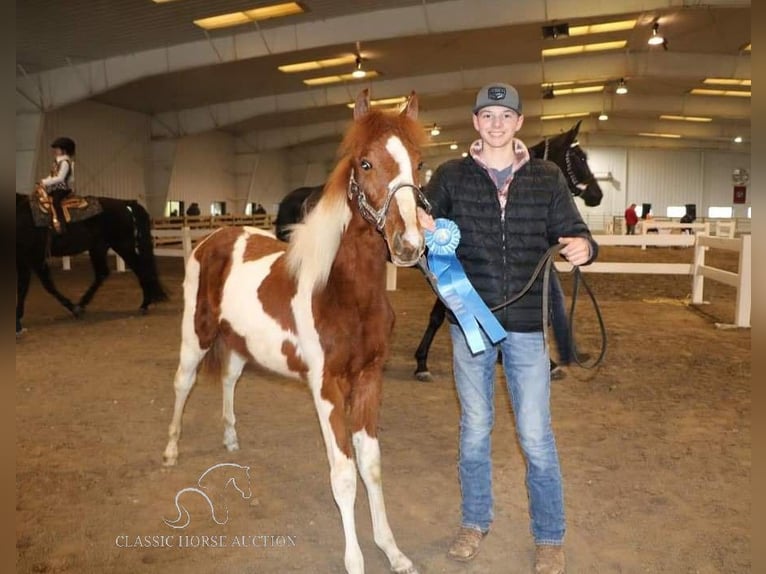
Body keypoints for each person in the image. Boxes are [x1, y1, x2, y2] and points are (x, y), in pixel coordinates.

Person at [417, 82, 598, 574]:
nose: (496, 123)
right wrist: (418, 228)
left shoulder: (546, 178)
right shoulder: (449, 177)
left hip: (525, 326)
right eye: (487, 115)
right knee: (474, 430)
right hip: (469, 323)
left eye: (506, 115)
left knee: (536, 435)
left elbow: (575, 230)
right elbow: (419, 239)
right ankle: (474, 522)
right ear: (475, 123)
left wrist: (584, 247)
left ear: (519, 123)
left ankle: (549, 536)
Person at [39, 137, 76, 234]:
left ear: (64, 150)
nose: (55, 151)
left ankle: (62, 225)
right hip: (54, 189)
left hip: (62, 189)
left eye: (57, 149)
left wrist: (46, 182)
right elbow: (51, 176)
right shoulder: (56, 163)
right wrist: (43, 181)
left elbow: (60, 178)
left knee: (56, 202)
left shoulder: (64, 163)